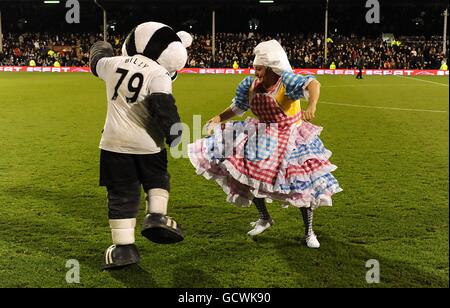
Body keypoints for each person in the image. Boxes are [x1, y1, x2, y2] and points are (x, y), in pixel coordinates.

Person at [188, 40, 342, 248]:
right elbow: (238, 107)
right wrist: (218, 118)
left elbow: (313, 84)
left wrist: (312, 105)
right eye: (255, 69)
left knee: (300, 185)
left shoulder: (286, 81)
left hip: (290, 136)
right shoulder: (249, 85)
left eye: (259, 69)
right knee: (245, 175)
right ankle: (264, 217)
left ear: (271, 69)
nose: (256, 73)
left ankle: (309, 232)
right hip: (261, 133)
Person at [89, 21, 192, 269]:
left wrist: (100, 48)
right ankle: (156, 215)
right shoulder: (159, 74)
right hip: (148, 145)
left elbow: (96, 63)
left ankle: (124, 249)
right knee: (157, 178)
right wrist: (175, 135)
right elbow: (163, 107)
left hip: (113, 144)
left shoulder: (114, 64)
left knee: (121, 194)